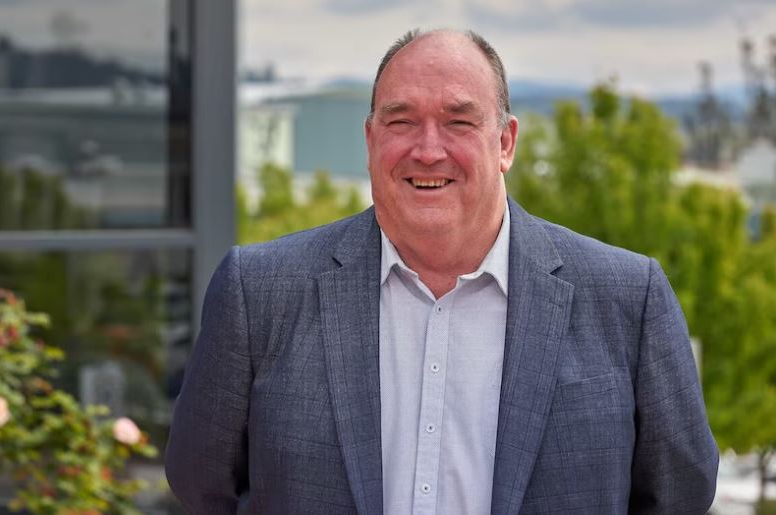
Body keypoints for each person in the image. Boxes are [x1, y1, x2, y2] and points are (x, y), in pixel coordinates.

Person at [165, 28, 719, 514]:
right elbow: (202, 485)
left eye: (458, 122)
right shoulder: (258, 292)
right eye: (401, 120)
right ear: (370, 139)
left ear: (505, 142)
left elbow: (679, 495)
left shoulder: (628, 298)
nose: (428, 150)